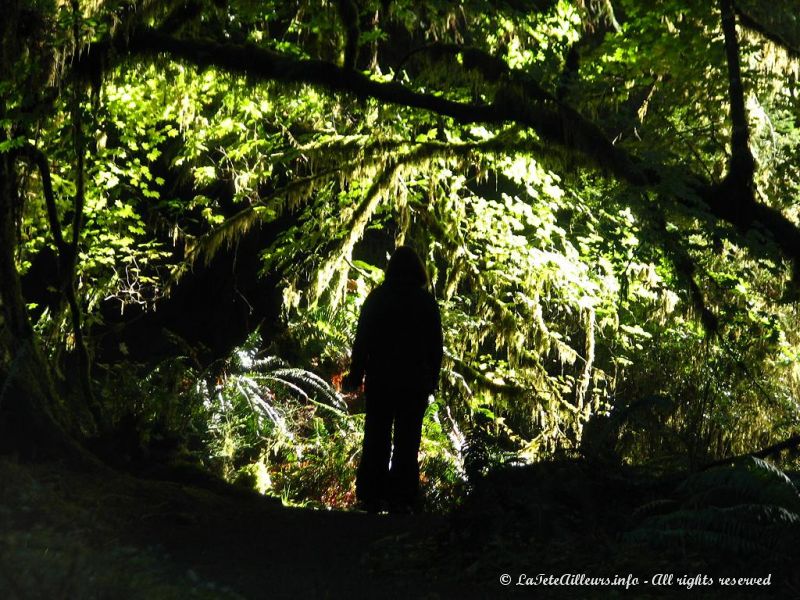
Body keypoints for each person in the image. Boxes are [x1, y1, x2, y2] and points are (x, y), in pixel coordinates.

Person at [342, 246, 443, 513]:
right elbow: (436, 347)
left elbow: (362, 340)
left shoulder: (378, 298)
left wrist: (356, 374)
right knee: (407, 442)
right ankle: (402, 498)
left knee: (376, 437)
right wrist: (432, 380)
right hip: (413, 384)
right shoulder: (425, 303)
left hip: (381, 380)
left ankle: (371, 495)